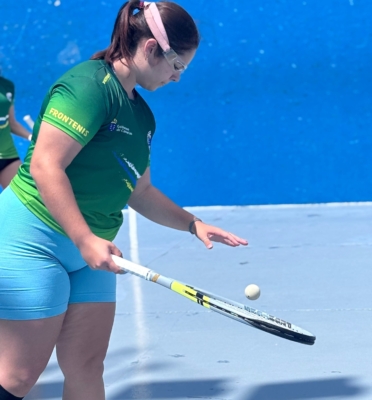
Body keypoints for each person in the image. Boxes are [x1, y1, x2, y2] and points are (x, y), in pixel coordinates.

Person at [0, 1, 248, 399]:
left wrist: (192, 223)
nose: (177, 77)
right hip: (34, 239)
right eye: (177, 65)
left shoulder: (142, 117)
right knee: (18, 376)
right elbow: (46, 165)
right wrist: (84, 239)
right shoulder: (86, 87)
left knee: (86, 366)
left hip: (94, 248)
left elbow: (140, 191)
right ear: (150, 48)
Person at [0, 74, 32, 189]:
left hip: (8, 156)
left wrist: (32, 137)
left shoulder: (7, 85)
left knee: (23, 196)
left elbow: (11, 123)